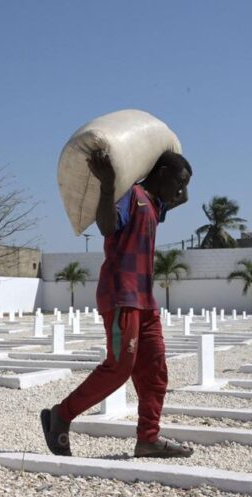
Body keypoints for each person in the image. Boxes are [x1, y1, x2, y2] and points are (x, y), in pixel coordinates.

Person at [41, 149, 193, 458]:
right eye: (178, 181)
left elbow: (183, 198)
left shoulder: (155, 203)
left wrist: (173, 155)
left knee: (155, 369)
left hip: (146, 300)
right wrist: (109, 184)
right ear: (161, 173)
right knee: (120, 366)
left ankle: (148, 438)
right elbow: (107, 226)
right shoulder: (131, 195)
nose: (180, 189)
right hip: (121, 294)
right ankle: (61, 416)